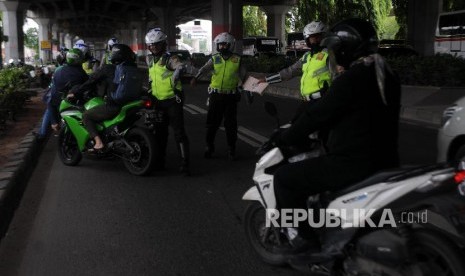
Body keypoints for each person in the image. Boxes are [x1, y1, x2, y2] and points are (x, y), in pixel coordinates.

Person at [273, 18, 401, 250]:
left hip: (353, 163)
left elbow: (319, 115)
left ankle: (305, 240)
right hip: (387, 160)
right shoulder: (386, 73)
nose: (332, 53)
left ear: (344, 48)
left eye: (334, 48)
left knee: (284, 179)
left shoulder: (351, 79)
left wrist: (286, 136)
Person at [258, 21, 331, 122]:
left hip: (322, 102)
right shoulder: (306, 57)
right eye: (312, 37)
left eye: (318, 36)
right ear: (307, 40)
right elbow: (289, 72)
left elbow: (339, 78)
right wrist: (267, 80)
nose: (315, 40)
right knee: (293, 127)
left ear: (324, 37)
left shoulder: (330, 55)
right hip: (306, 102)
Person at [190, 32, 247, 160]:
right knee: (212, 124)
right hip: (215, 96)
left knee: (230, 125)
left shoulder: (237, 59)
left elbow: (245, 77)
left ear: (231, 45)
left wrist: (248, 91)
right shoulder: (215, 58)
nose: (222, 47)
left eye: (224, 45)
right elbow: (204, 69)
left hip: (231, 97)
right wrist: (195, 78)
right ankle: (209, 146)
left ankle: (231, 149)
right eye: (220, 45)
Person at [76, 44, 140, 151]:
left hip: (114, 106)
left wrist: (76, 91)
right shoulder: (133, 68)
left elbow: (91, 81)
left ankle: (98, 142)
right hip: (131, 103)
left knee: (86, 115)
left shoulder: (108, 68)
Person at [145, 28, 190, 176]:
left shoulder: (170, 58)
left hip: (172, 101)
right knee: (159, 133)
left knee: (179, 133)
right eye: (151, 45)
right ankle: (160, 162)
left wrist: (178, 72)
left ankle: (185, 163)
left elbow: (180, 66)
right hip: (158, 102)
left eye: (157, 44)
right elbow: (152, 78)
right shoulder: (150, 59)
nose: (154, 47)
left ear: (163, 44)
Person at [36, 48, 88, 140]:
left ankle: (43, 133)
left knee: (49, 102)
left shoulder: (59, 70)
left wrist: (53, 121)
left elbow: (52, 95)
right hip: (74, 104)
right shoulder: (81, 73)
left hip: (57, 102)